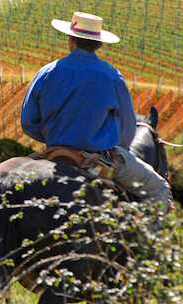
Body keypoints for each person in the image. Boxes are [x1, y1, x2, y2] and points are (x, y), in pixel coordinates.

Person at [21, 11, 170, 213]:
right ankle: (149, 242)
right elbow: (126, 131)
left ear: (71, 39)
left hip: (53, 153)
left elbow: (28, 123)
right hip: (98, 159)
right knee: (158, 187)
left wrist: (56, 138)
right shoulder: (112, 76)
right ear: (99, 44)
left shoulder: (46, 72)